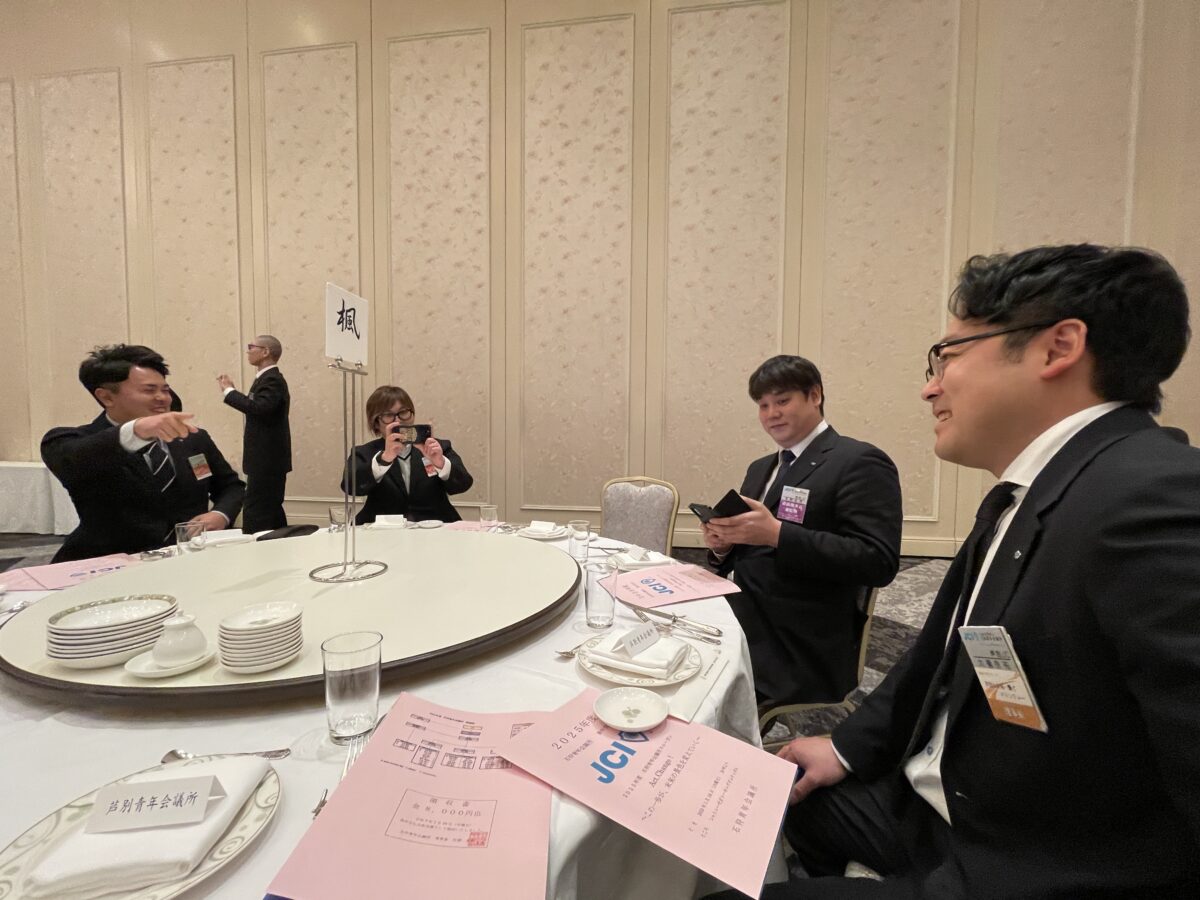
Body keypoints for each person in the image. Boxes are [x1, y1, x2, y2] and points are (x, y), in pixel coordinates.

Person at [715, 245, 1200, 900]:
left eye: (947, 356)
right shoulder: (1031, 491)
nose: (930, 386)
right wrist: (846, 748)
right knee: (770, 798)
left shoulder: (1155, 501)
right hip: (937, 798)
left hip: (1018, 861)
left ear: (1057, 348)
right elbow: (942, 657)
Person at [702, 356, 903, 706]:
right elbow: (749, 549)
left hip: (798, 639)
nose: (771, 414)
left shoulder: (858, 461)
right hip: (745, 612)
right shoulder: (760, 468)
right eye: (763, 405)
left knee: (700, 692)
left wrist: (777, 534)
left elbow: (877, 561)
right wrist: (723, 545)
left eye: (782, 401)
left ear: (815, 395)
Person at [42, 344, 244, 563]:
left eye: (165, 390)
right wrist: (136, 430)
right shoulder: (73, 441)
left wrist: (220, 514)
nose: (162, 398)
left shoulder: (192, 438)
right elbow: (74, 458)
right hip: (110, 565)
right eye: (149, 390)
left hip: (188, 560)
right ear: (107, 397)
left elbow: (230, 486)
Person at [342, 385, 473, 524]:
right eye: (388, 415)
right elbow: (350, 487)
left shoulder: (437, 447)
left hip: (434, 527)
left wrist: (440, 463)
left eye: (403, 412)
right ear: (376, 423)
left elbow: (463, 485)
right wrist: (384, 460)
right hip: (384, 529)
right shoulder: (364, 453)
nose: (398, 421)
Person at [218, 335, 292, 532]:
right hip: (267, 459)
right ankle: (278, 544)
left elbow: (260, 408)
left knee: (257, 511)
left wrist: (229, 391)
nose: (248, 351)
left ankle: (257, 547)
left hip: (266, 460)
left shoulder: (272, 379)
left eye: (252, 346)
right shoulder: (266, 378)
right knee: (270, 510)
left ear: (265, 352)